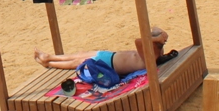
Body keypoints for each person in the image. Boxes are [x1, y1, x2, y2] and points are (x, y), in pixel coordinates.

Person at [34, 27, 169, 76]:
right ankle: (49, 57)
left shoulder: (148, 59)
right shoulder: (154, 51)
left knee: (78, 62)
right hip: (109, 56)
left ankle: (50, 63)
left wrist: (158, 37)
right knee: (80, 54)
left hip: (108, 64)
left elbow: (138, 40)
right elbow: (155, 28)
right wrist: (162, 35)